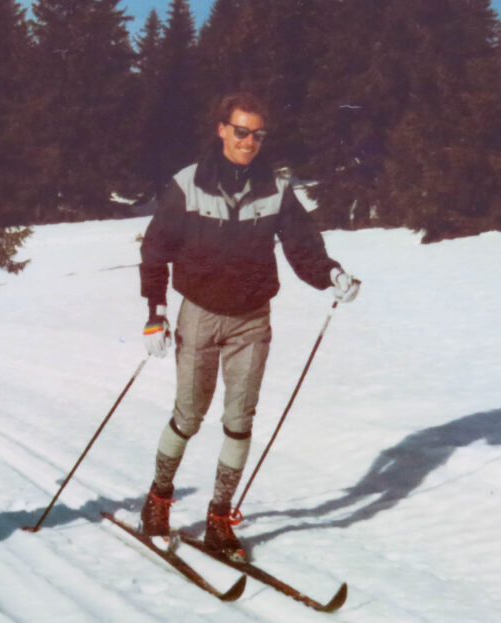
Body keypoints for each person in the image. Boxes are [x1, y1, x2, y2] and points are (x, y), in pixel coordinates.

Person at [138, 92, 359, 561]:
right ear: (222, 129)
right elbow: (156, 249)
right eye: (241, 131)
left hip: (253, 319)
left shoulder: (276, 189)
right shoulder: (187, 185)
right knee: (189, 415)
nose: (249, 142)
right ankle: (158, 499)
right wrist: (156, 313)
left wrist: (330, 274)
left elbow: (302, 247)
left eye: (258, 135)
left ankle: (219, 518)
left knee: (239, 422)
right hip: (198, 314)